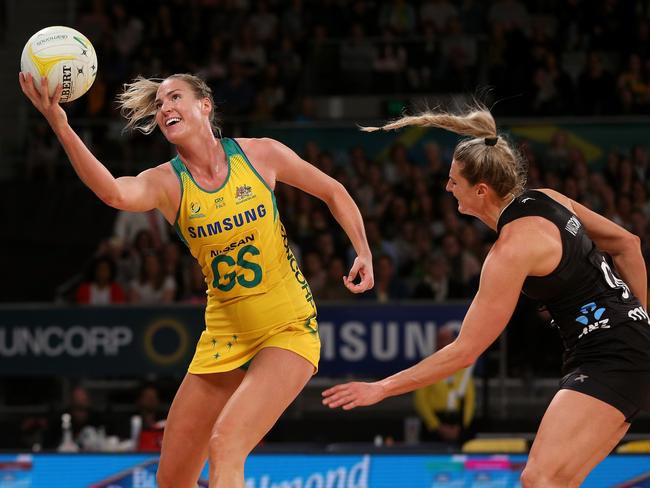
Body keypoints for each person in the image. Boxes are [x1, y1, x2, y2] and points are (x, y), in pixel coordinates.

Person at [19, 71, 373, 487]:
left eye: (175, 97)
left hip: (287, 328)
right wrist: (60, 123)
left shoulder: (261, 155)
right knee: (172, 479)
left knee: (226, 444)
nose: (165, 107)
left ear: (205, 105)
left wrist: (363, 249)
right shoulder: (167, 183)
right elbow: (114, 193)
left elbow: (334, 191)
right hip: (223, 337)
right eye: (160, 103)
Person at [323, 105, 650, 487]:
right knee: (556, 481)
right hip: (622, 347)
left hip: (612, 356)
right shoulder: (550, 198)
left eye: (453, 181)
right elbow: (628, 244)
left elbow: (465, 351)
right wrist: (643, 320)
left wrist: (381, 388)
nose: (447, 188)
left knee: (540, 480)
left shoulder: (509, 252)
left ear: (481, 190)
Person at [413, 323, 475, 446]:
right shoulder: (427, 366)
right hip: (435, 425)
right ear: (436, 343)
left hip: (457, 423)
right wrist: (436, 426)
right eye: (440, 340)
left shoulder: (463, 367)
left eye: (447, 340)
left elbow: (470, 400)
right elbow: (421, 400)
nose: (444, 344)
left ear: (453, 341)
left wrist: (462, 425)